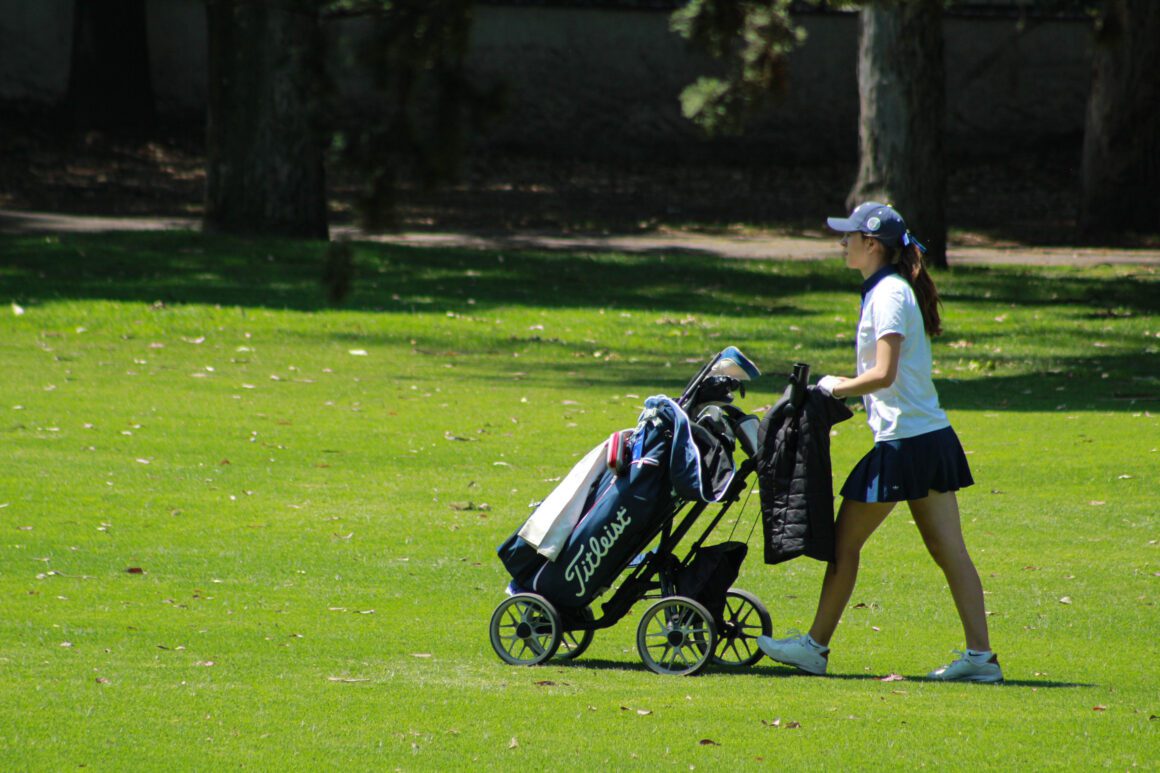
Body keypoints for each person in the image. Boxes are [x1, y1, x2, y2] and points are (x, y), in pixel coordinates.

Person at [757, 202, 1003, 683]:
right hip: (924, 436)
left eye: (849, 236)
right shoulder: (887, 290)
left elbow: (883, 373)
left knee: (845, 543)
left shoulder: (889, 294)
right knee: (947, 548)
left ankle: (813, 648)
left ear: (872, 245)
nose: (841, 242)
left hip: (906, 444)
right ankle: (981, 659)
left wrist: (833, 386)